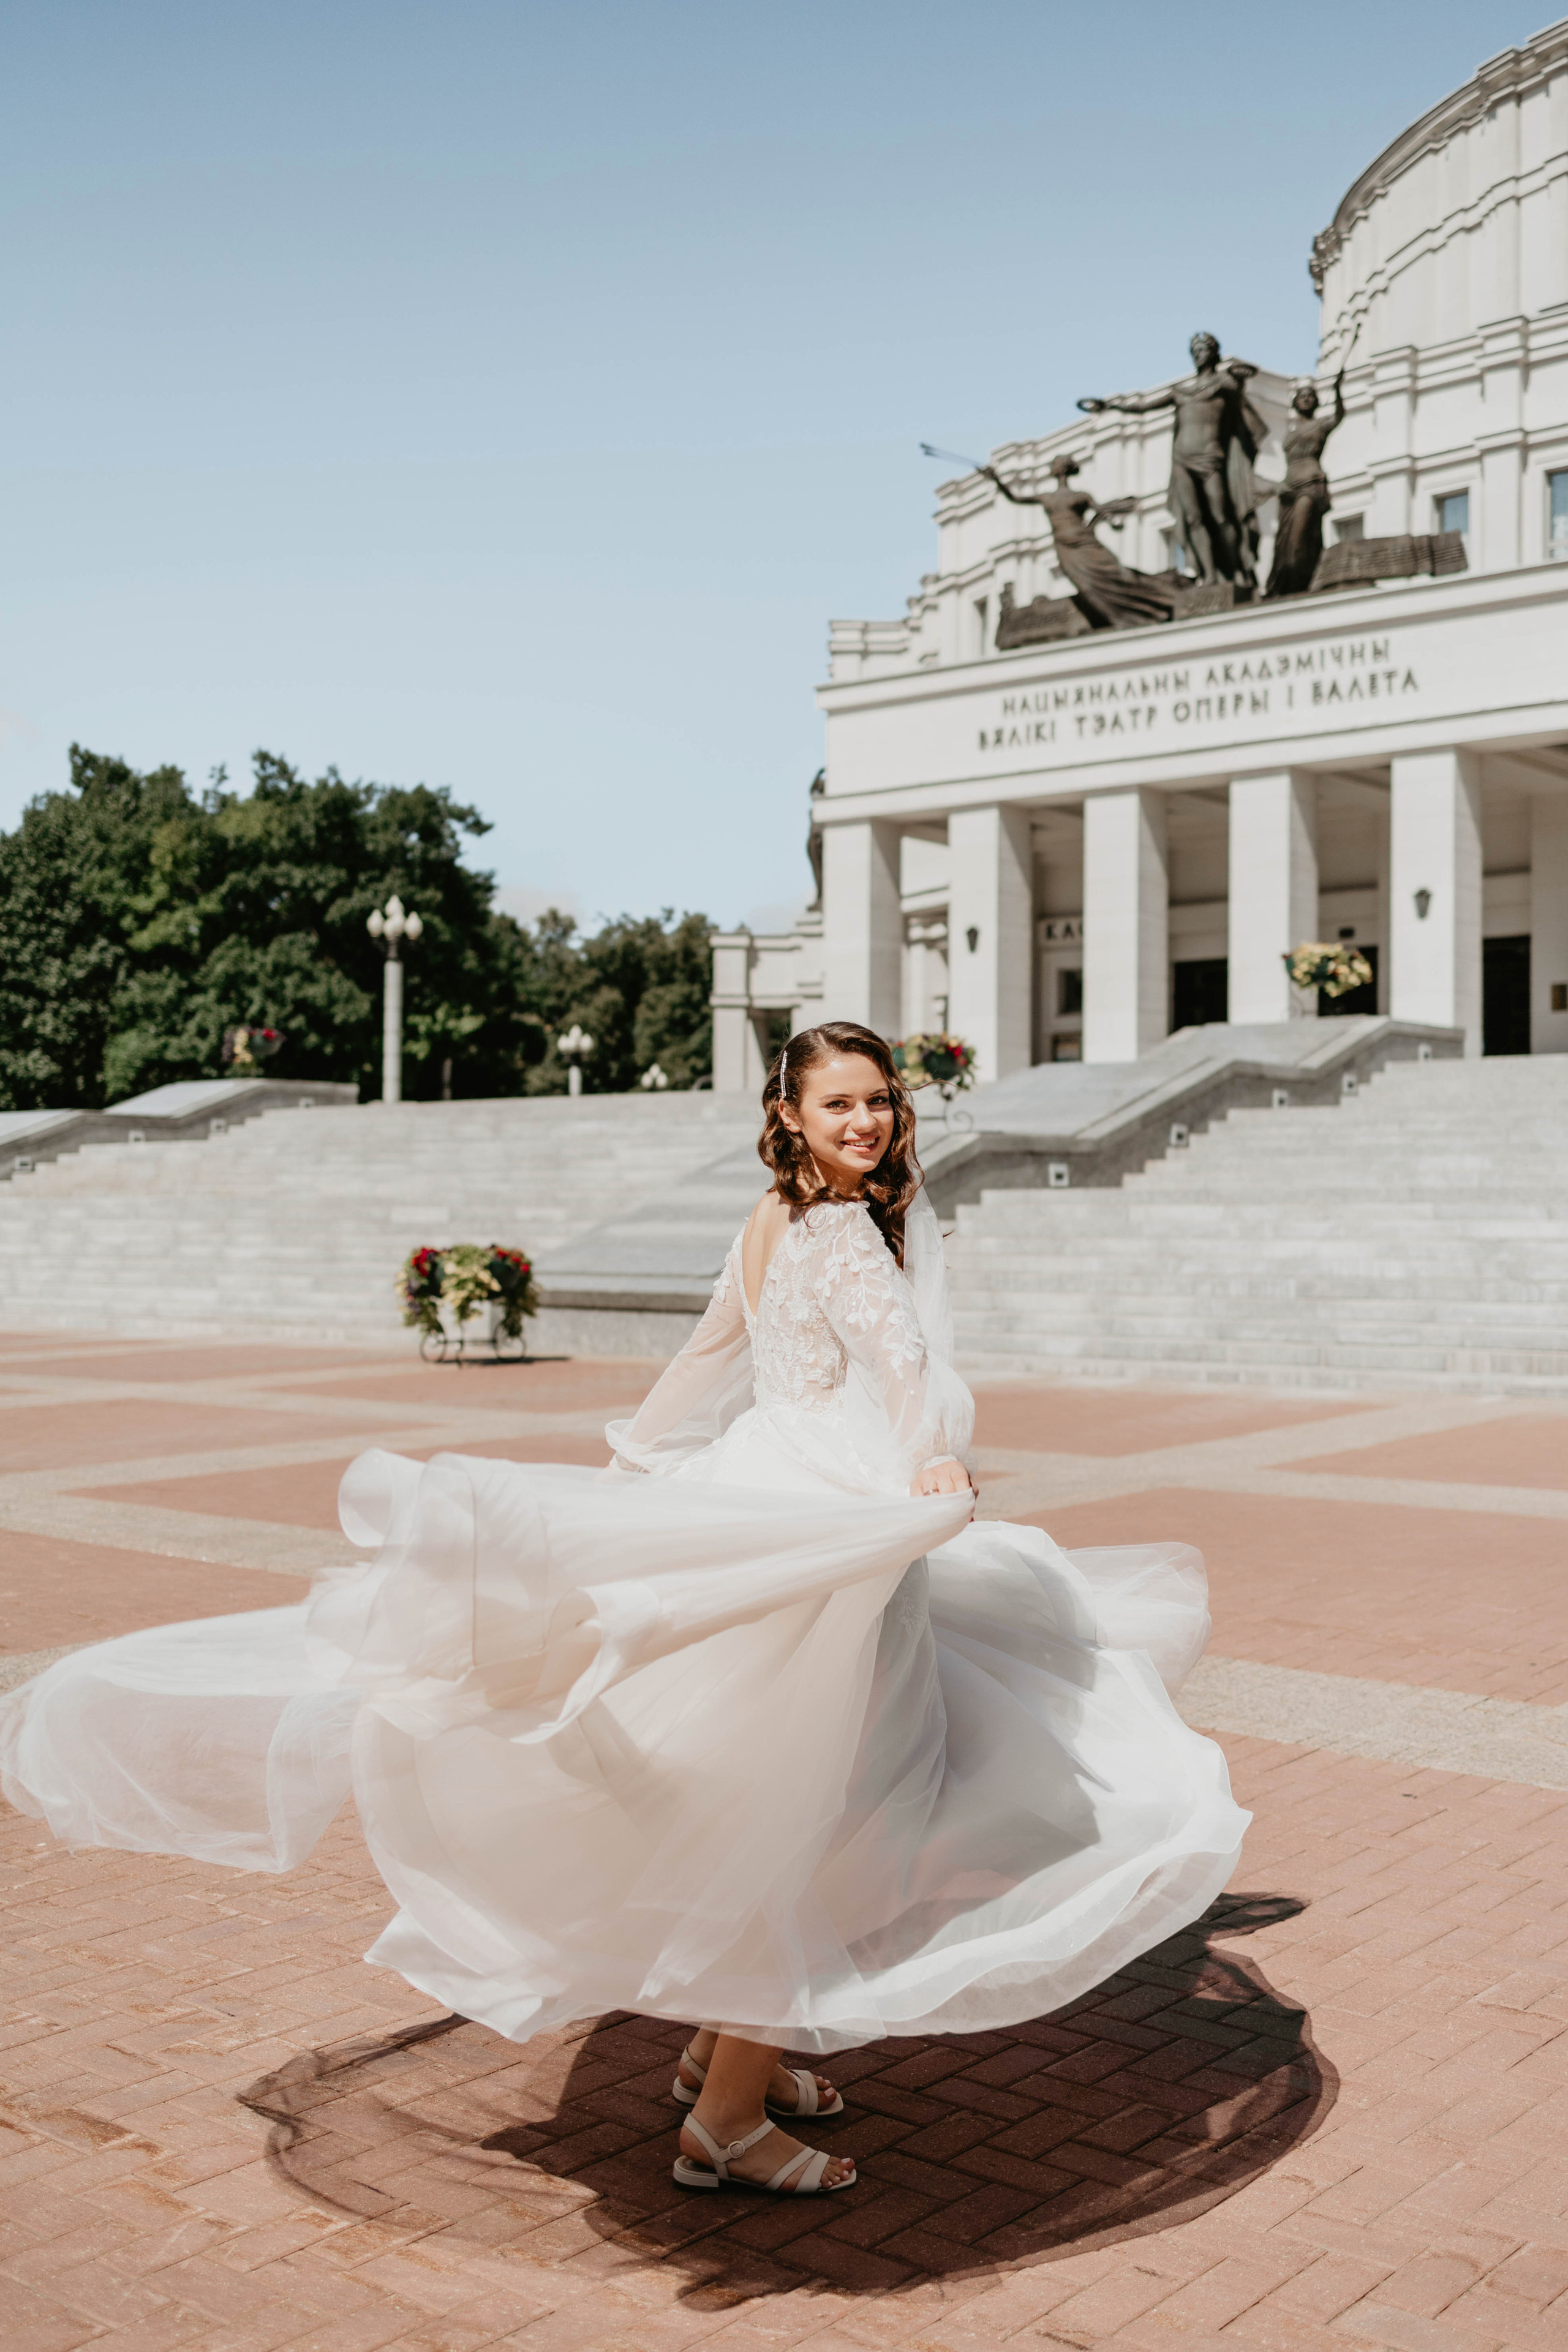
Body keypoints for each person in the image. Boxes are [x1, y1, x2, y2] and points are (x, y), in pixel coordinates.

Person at [0, 1021, 1248, 2201]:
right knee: (838, 1805)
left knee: (776, 1779)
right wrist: (926, 1463)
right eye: (838, 1104)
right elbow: (904, 1366)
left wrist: (631, 1468)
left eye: (878, 1101)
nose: (865, 1121)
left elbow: (706, 1355)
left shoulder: (770, 1217)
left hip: (765, 1492)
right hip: (831, 1522)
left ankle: (726, 2050)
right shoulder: (842, 1233)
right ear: (789, 1114)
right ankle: (727, 2123)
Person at [1080, 332, 1267, 587]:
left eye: (1203, 349)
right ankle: (1209, 576)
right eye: (1194, 351)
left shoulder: (1223, 384)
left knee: (1221, 516)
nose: (1198, 355)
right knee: (1193, 519)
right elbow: (1143, 407)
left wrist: (1240, 376)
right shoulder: (1180, 392)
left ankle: (1238, 569)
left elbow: (1240, 392)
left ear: (1214, 353)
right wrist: (1111, 406)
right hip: (1182, 459)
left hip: (1210, 458)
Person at [983, 453, 1178, 629]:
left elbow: (1101, 511)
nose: (1052, 467)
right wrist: (997, 480)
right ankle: (1122, 619)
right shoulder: (1046, 497)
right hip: (1066, 549)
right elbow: (1016, 498)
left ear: (1063, 469)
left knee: (1118, 575)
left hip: (1085, 543)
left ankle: (1163, 600)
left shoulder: (1080, 496)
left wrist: (1113, 522)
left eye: (1055, 463)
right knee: (1087, 586)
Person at [1259, 371, 1348, 598]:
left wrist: (1338, 390)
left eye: (1310, 395)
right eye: (1302, 396)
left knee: (1299, 538)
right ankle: (1289, 587)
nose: (1306, 399)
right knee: (1284, 546)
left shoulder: (1321, 425)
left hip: (1310, 487)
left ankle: (1304, 581)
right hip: (1288, 492)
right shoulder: (1289, 433)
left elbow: (1339, 416)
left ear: (1317, 401)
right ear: (1295, 403)